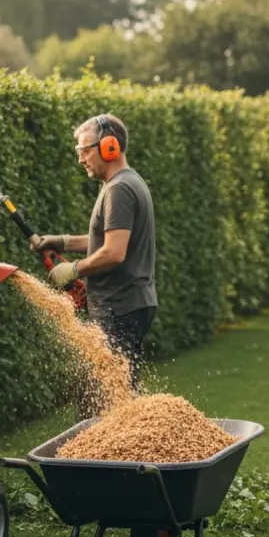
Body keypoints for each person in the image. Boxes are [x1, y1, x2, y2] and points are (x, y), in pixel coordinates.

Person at [32, 113, 157, 391]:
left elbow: (113, 253)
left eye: (85, 150)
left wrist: (73, 269)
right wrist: (62, 242)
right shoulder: (126, 183)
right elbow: (107, 240)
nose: (80, 159)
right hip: (129, 305)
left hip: (119, 308)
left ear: (109, 146)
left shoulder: (119, 189)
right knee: (121, 389)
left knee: (109, 396)